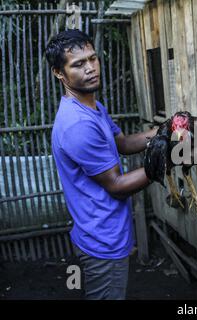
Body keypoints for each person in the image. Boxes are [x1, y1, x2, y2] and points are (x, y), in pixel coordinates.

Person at [46, 29, 157, 300]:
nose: (90, 68)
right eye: (78, 64)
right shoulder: (78, 125)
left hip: (102, 231)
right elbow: (117, 186)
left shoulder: (93, 107)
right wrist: (168, 160)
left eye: (92, 59)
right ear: (59, 73)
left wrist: (166, 131)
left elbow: (125, 144)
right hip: (102, 242)